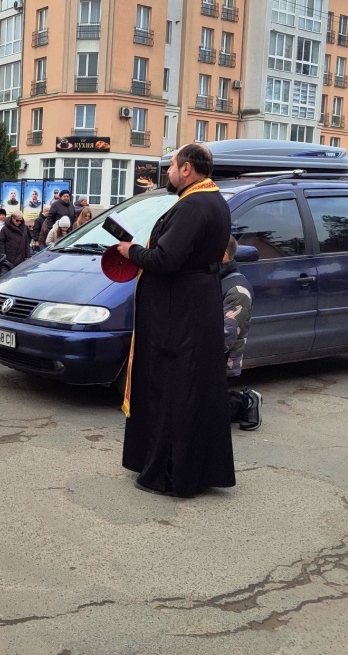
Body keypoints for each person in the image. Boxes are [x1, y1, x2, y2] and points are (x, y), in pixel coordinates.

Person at [115, 143, 234, 498]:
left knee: (173, 389)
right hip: (193, 304)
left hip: (178, 312)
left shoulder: (194, 205)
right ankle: (193, 468)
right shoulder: (212, 199)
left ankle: (170, 473)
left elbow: (167, 259)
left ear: (186, 170)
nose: (166, 172)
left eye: (171, 166)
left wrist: (130, 252)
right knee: (192, 388)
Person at [221, 235, 262, 431]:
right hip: (204, 359)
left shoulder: (237, 290)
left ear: (222, 256)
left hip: (223, 364)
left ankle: (246, 401)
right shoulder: (215, 280)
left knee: (201, 417)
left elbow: (224, 339)